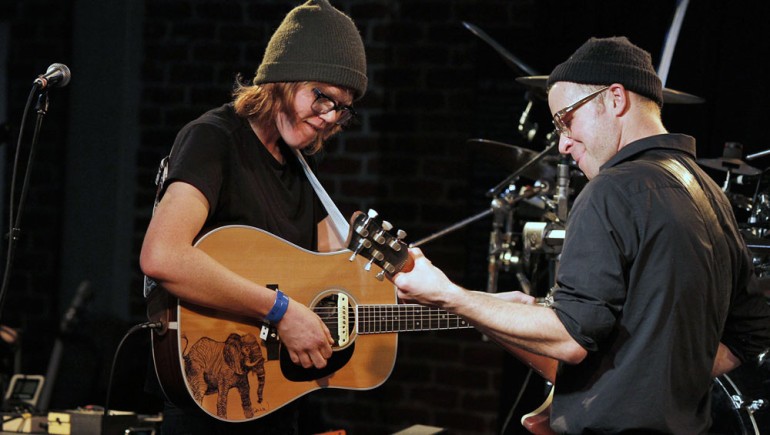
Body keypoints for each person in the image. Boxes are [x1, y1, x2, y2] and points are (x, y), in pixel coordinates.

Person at [393, 36, 770, 433]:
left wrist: (450, 296)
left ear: (615, 99)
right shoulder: (708, 190)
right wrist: (661, 369)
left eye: (566, 120)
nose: (563, 143)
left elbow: (571, 338)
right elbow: (753, 333)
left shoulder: (612, 189)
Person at [139, 1, 367, 433]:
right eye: (322, 97)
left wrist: (420, 289)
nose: (331, 118)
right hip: (206, 401)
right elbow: (162, 256)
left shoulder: (301, 168)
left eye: (343, 108)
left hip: (278, 396)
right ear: (282, 78)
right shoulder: (213, 139)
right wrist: (281, 310)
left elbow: (326, 276)